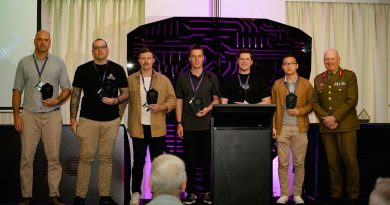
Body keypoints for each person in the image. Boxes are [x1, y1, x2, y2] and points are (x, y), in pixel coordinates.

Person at [12, 30, 71, 205]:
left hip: (52, 116)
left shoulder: (58, 62)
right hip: (29, 115)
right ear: (35, 41)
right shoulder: (24, 63)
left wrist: (58, 99)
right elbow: (17, 90)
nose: (43, 42)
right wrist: (16, 116)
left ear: (50, 42)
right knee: (26, 158)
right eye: (40, 39)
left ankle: (54, 195)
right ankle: (26, 196)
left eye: (46, 40)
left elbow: (67, 87)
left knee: (53, 157)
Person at [70, 38, 129, 205]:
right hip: (88, 120)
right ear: (92, 50)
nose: (99, 50)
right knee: (85, 158)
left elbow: (126, 93)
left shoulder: (117, 69)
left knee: (106, 158)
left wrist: (116, 100)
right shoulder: (83, 69)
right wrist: (73, 118)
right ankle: (80, 196)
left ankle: (104, 196)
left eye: (102, 47)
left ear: (107, 49)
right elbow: (75, 95)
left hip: (110, 121)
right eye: (96, 48)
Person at [127, 47, 176, 205]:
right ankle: (136, 193)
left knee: (157, 163)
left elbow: (173, 100)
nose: (146, 61)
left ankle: (158, 193)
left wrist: (163, 106)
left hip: (157, 128)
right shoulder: (131, 79)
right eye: (143, 58)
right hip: (138, 127)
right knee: (138, 163)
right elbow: (123, 102)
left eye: (149, 58)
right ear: (139, 60)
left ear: (153, 60)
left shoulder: (164, 79)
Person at [312, 48, 360, 205]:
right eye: (326, 59)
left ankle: (353, 195)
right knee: (332, 163)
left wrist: (335, 117)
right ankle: (336, 194)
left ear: (338, 59)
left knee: (350, 162)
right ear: (323, 61)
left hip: (346, 126)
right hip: (327, 127)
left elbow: (351, 100)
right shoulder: (318, 79)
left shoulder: (349, 76)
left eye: (332, 59)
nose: (329, 62)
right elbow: (315, 102)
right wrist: (327, 119)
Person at [175, 44, 220, 205]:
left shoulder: (211, 77)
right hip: (188, 126)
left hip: (207, 125)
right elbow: (178, 101)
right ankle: (191, 192)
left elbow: (217, 100)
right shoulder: (182, 78)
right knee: (190, 161)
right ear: (189, 59)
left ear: (203, 58)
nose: (196, 59)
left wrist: (207, 109)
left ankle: (208, 192)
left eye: (199, 56)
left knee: (207, 161)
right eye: (193, 56)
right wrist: (179, 123)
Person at [272, 55, 313, 204]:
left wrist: (299, 111)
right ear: (282, 67)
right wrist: (274, 127)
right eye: (286, 64)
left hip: (300, 128)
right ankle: (284, 194)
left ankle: (297, 194)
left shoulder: (306, 84)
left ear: (297, 66)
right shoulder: (277, 84)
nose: (289, 66)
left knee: (299, 163)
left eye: (291, 64)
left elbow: (312, 104)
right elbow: (273, 107)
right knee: (283, 163)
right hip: (282, 128)